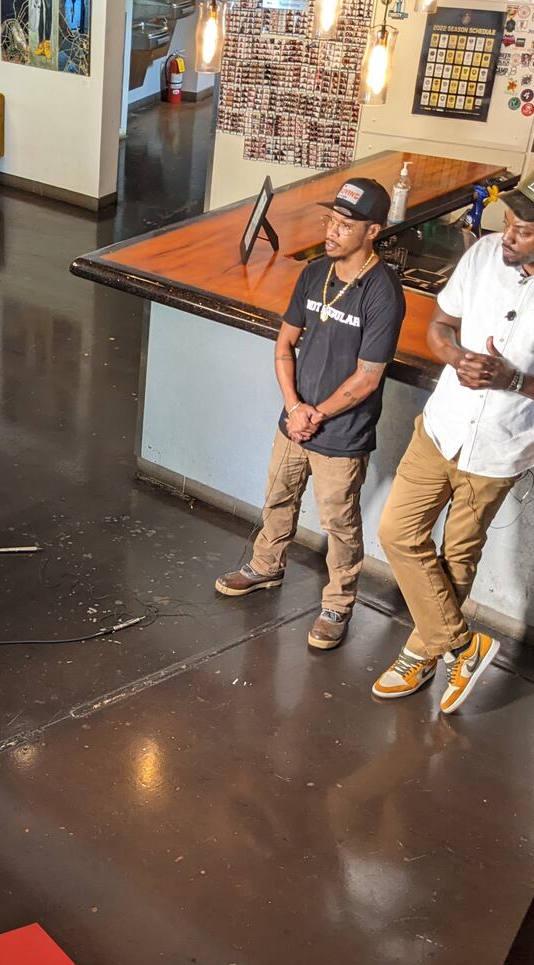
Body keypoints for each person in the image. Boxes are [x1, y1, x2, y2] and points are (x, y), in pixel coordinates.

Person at [373, 165, 534, 714]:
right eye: (509, 221)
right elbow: (439, 326)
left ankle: (422, 652)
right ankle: (461, 645)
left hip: (506, 442)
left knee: (458, 555)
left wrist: (516, 381)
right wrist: (456, 356)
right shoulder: (483, 255)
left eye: (525, 229)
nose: (508, 234)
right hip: (443, 424)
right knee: (396, 532)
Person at [213, 178, 405, 651]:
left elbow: (367, 377)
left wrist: (315, 414)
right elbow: (284, 344)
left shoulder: (383, 293)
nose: (332, 231)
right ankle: (266, 567)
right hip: (295, 419)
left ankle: (338, 604)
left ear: (373, 230)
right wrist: (294, 407)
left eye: (345, 224)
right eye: (331, 221)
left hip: (341, 432)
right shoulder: (313, 272)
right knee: (278, 496)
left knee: (339, 522)